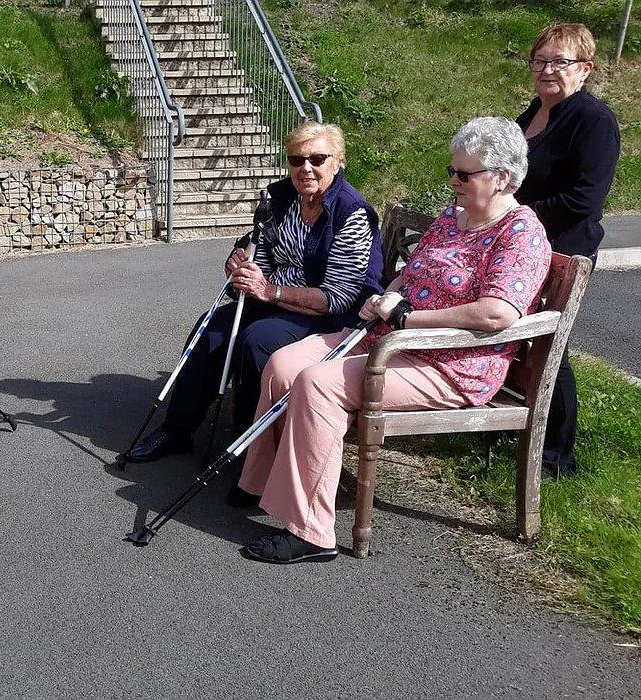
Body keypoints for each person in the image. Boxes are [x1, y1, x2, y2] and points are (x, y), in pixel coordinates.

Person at [233, 117, 552, 564]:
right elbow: (412, 270)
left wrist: (407, 315)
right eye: (452, 172)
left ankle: (312, 532)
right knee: (283, 364)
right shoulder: (452, 217)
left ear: (501, 178)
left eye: (465, 174)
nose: (454, 182)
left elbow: (497, 312)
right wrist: (390, 294)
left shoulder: (520, 233)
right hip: (392, 339)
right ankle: (264, 483)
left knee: (317, 384)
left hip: (450, 363)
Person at [122, 121, 384, 466]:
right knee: (213, 327)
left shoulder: (351, 213)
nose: (306, 167)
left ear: (338, 162)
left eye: (318, 159)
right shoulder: (282, 199)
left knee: (258, 338)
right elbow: (260, 253)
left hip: (327, 316)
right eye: (296, 160)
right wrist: (241, 266)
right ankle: (177, 429)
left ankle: (253, 449)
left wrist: (270, 290)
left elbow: (338, 298)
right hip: (273, 298)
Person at [514, 22, 620, 479]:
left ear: (585, 69)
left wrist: (518, 218)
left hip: (564, 251)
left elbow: (584, 199)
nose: (547, 69)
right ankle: (517, 426)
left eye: (560, 61)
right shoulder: (531, 113)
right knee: (521, 338)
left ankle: (557, 455)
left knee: (550, 343)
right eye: (540, 60)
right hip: (521, 246)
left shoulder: (594, 121)